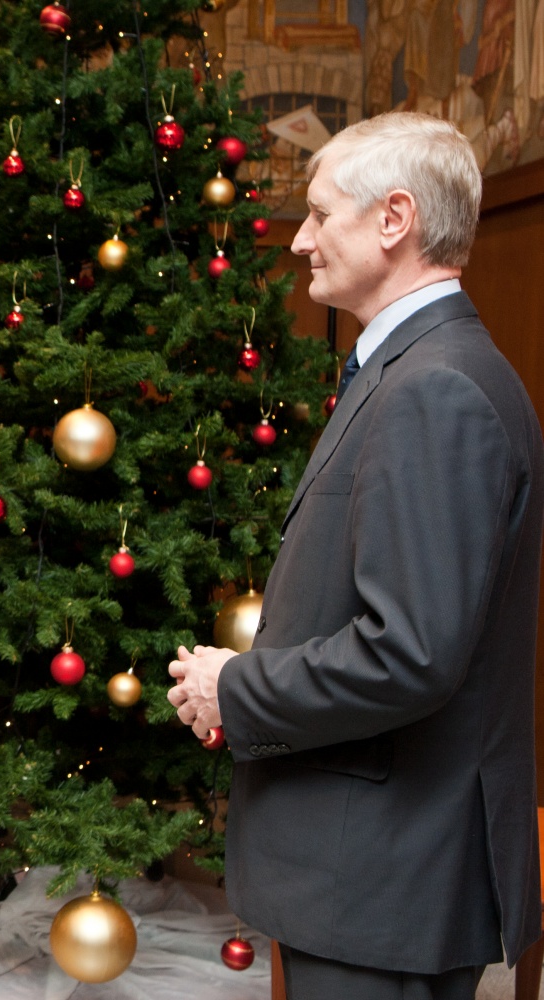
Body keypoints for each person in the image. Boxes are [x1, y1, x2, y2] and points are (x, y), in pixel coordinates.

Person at [167, 111, 544, 1000]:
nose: (299, 240)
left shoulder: (436, 389)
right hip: (373, 870)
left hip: (384, 875)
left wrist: (237, 686)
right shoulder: (410, 367)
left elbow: (407, 652)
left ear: (393, 219)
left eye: (319, 214)